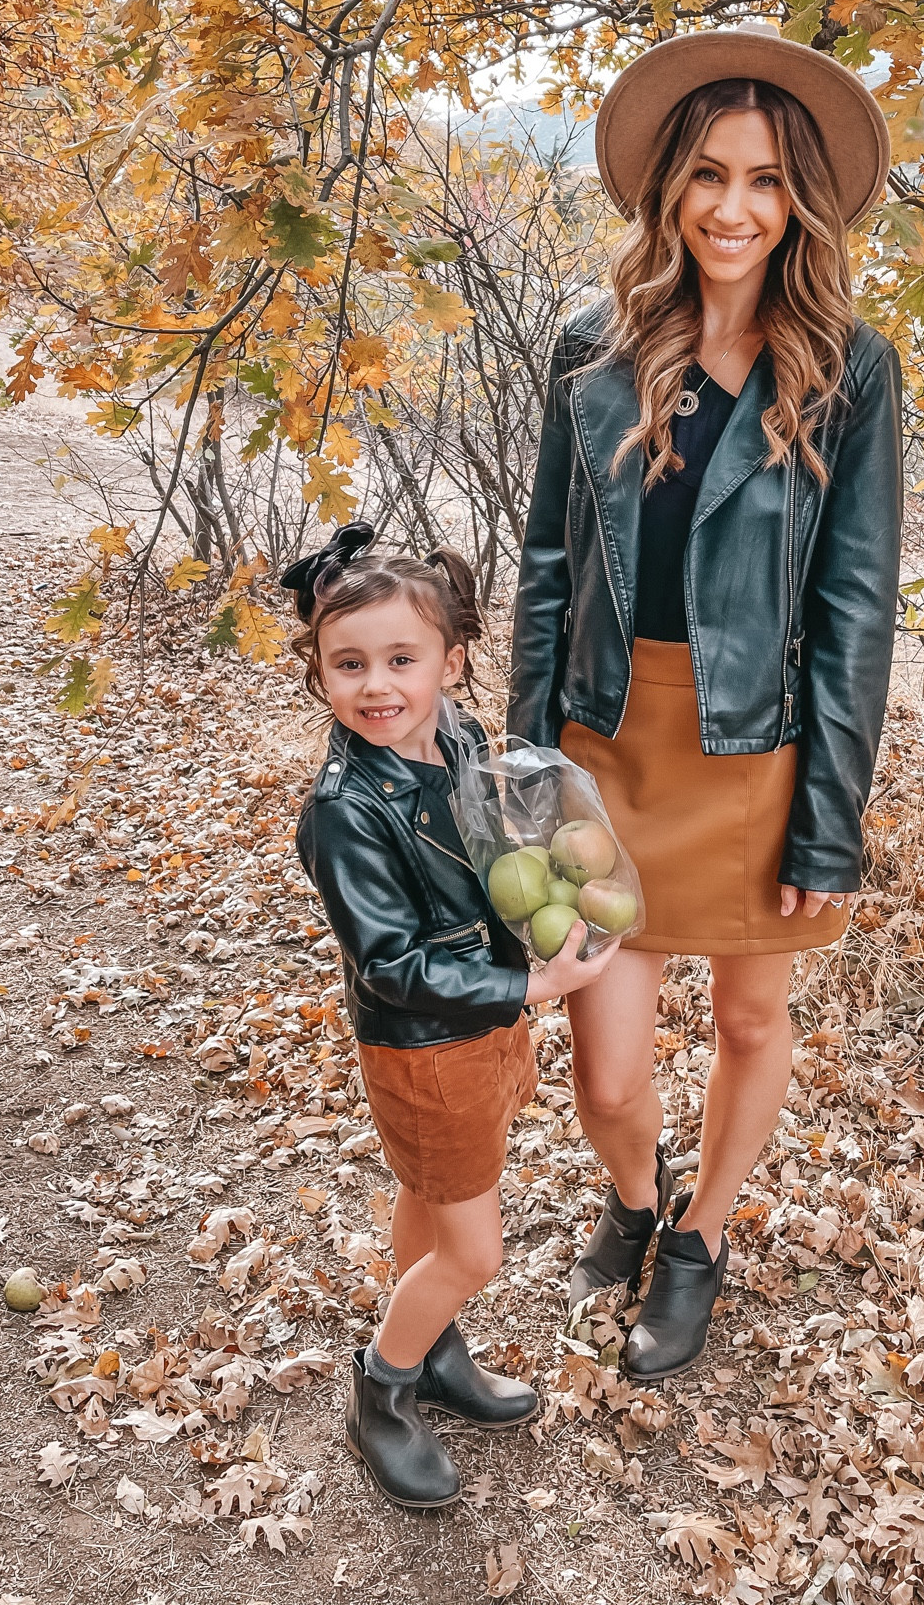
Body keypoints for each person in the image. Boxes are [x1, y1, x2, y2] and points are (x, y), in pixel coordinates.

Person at [509, 22, 903, 1382]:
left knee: (747, 1022)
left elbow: (857, 608)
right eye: (713, 176)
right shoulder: (590, 345)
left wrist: (830, 825)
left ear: (800, 203)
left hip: (762, 751)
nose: (737, 208)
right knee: (607, 1074)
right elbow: (549, 570)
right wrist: (519, 772)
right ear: (670, 188)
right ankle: (633, 1196)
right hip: (608, 744)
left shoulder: (850, 366)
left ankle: (700, 1240)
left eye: (768, 182)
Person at [289, 524, 619, 1507]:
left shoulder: (462, 733)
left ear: (452, 659)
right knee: (474, 1248)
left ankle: (432, 1348)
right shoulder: (345, 808)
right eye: (349, 663)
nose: (377, 684)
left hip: (480, 1024)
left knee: (431, 1199)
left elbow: (490, 835)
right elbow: (390, 961)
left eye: (402, 658)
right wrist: (529, 986)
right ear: (320, 672)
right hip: (427, 1042)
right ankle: (381, 1388)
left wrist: (552, 855)